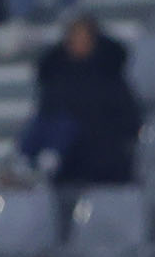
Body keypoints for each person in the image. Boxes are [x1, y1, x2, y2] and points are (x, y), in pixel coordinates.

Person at [17, 15, 139, 188]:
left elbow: (128, 120)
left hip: (101, 157)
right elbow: (47, 112)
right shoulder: (56, 75)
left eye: (84, 37)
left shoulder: (109, 76)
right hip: (65, 162)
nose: (79, 42)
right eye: (74, 37)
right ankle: (30, 162)